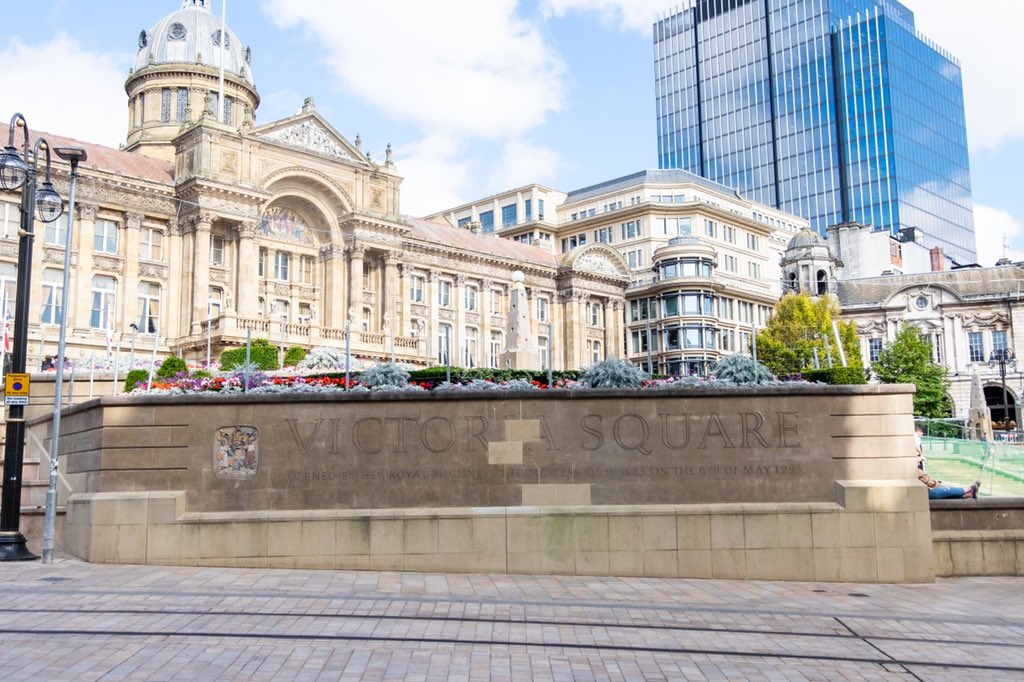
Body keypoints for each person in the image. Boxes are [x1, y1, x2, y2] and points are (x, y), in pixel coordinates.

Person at [917, 427, 980, 499]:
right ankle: (968, 489)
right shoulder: (913, 469)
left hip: (921, 493)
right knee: (940, 491)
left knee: (943, 491)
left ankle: (967, 495)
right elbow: (926, 480)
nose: (920, 459)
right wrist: (936, 484)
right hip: (922, 494)